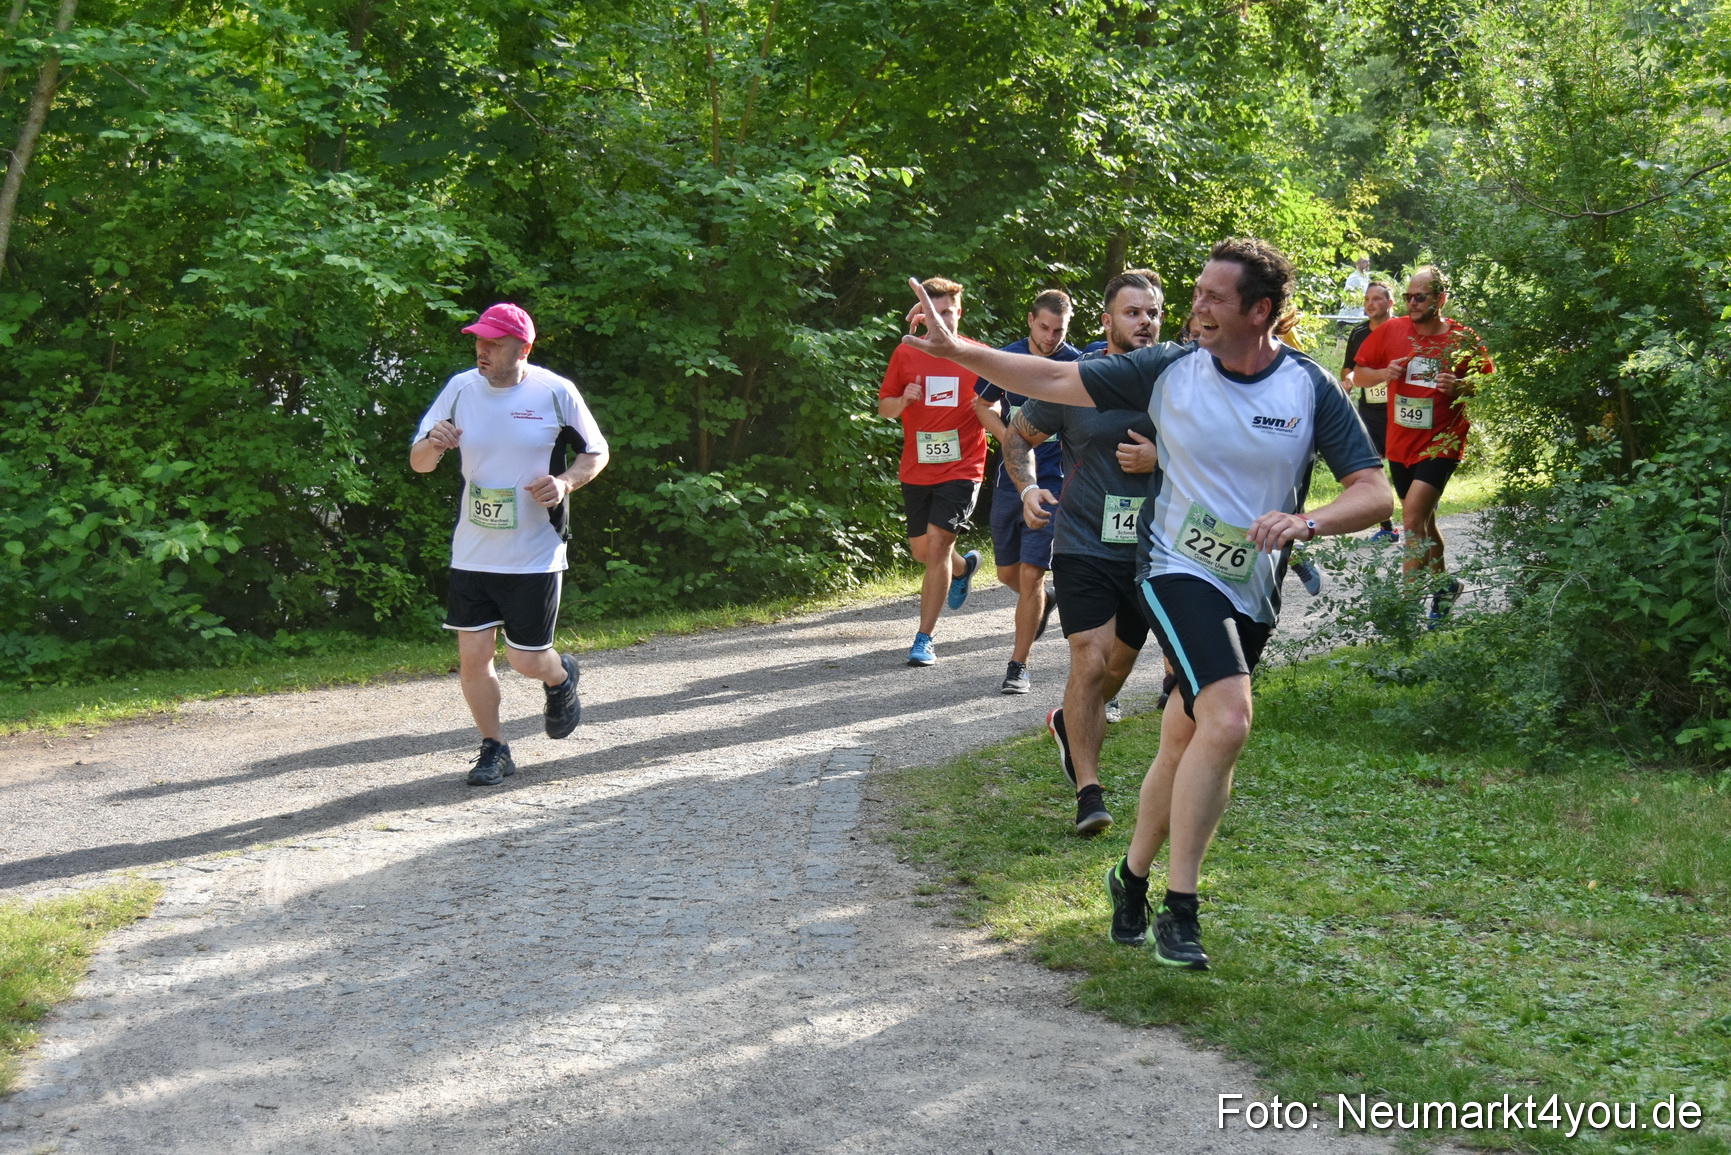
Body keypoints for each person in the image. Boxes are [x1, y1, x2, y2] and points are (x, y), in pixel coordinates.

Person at [900, 238, 1391, 970]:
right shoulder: (1166, 369)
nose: (1194, 307)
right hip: (1172, 564)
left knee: (1187, 737)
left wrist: (1306, 520)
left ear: (1260, 312)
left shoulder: (1307, 387)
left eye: (1212, 298)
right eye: (1192, 293)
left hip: (1252, 582)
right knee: (1227, 717)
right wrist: (959, 347)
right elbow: (1047, 378)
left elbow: (1373, 490)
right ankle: (1180, 908)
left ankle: (1128, 879)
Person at [411, 303, 609, 786]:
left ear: (524, 348)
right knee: (473, 656)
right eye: (479, 339)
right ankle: (494, 748)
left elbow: (596, 451)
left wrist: (564, 484)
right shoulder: (460, 388)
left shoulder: (555, 392)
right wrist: (433, 444)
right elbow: (419, 463)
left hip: (534, 551)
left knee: (525, 659)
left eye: (494, 342)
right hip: (473, 550)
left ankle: (560, 677)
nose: (482, 349)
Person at [1005, 270, 1163, 835]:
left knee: (1116, 667)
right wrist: (1027, 488)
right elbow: (1017, 434)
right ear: (1106, 320)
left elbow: (1223, 451)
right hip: (1083, 543)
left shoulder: (1177, 379)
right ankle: (1088, 793)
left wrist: (1160, 458)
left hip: (1152, 549)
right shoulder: (1076, 380)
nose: (1145, 322)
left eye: (1152, 312)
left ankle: (1066, 722)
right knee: (1090, 660)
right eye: (1132, 312)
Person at [1349, 265, 1494, 617]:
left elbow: (1487, 385)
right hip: (1400, 443)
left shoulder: (1462, 338)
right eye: (1409, 296)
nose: (1412, 303)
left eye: (1420, 297)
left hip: (1442, 442)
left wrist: (1461, 387)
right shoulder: (1392, 330)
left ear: (1440, 299)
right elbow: (1359, 374)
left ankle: (1403, 614)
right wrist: (1386, 373)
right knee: (1424, 522)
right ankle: (1445, 588)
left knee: (1411, 521)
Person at [972, 289, 1080, 693]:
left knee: (1032, 575)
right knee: (1008, 574)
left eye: (1059, 331)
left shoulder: (1075, 364)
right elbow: (980, 405)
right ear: (1031, 320)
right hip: (1011, 480)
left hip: (1055, 484)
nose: (1051, 338)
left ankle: (1018, 666)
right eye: (1045, 328)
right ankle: (1042, 604)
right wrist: (1012, 438)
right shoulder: (1008, 359)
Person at [877, 277, 988, 666]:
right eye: (935, 313)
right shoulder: (906, 354)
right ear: (923, 316)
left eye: (949, 313)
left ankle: (924, 638)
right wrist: (903, 400)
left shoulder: (979, 356)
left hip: (964, 465)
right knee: (924, 551)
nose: (943, 320)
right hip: (918, 468)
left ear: (960, 312)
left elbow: (1008, 400)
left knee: (939, 543)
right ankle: (963, 568)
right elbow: (884, 409)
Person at [1340, 279, 1399, 543]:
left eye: (1376, 298)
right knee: (1371, 464)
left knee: (1400, 464)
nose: (1370, 304)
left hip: (1402, 409)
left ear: (1390, 302)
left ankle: (1419, 516)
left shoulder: (1404, 329)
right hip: (1370, 409)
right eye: (1367, 299)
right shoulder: (1359, 333)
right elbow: (1347, 367)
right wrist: (1348, 380)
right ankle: (1388, 527)